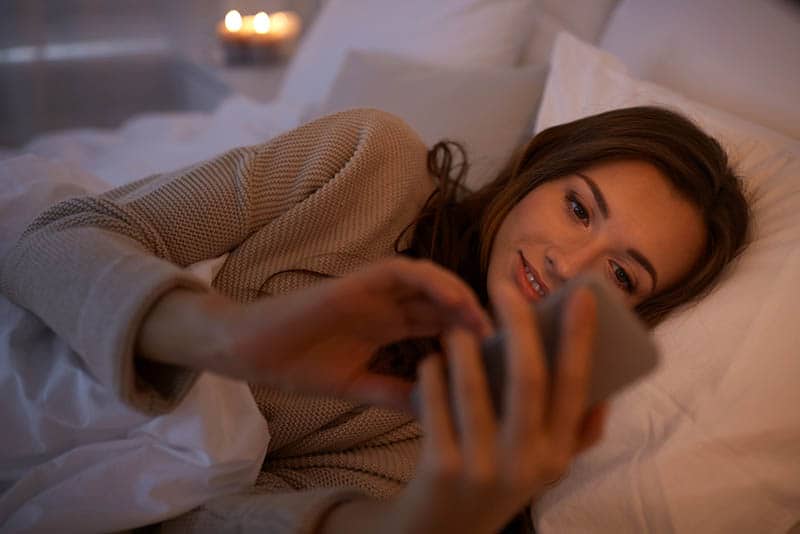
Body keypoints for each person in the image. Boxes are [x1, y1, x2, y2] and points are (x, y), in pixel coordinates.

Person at [0, 106, 749, 533]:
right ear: (537, 171)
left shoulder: (451, 431)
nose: (568, 264)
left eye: (621, 274)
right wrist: (231, 338)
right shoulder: (370, 163)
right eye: (578, 207)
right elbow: (56, 241)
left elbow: (216, 522)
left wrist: (424, 524)